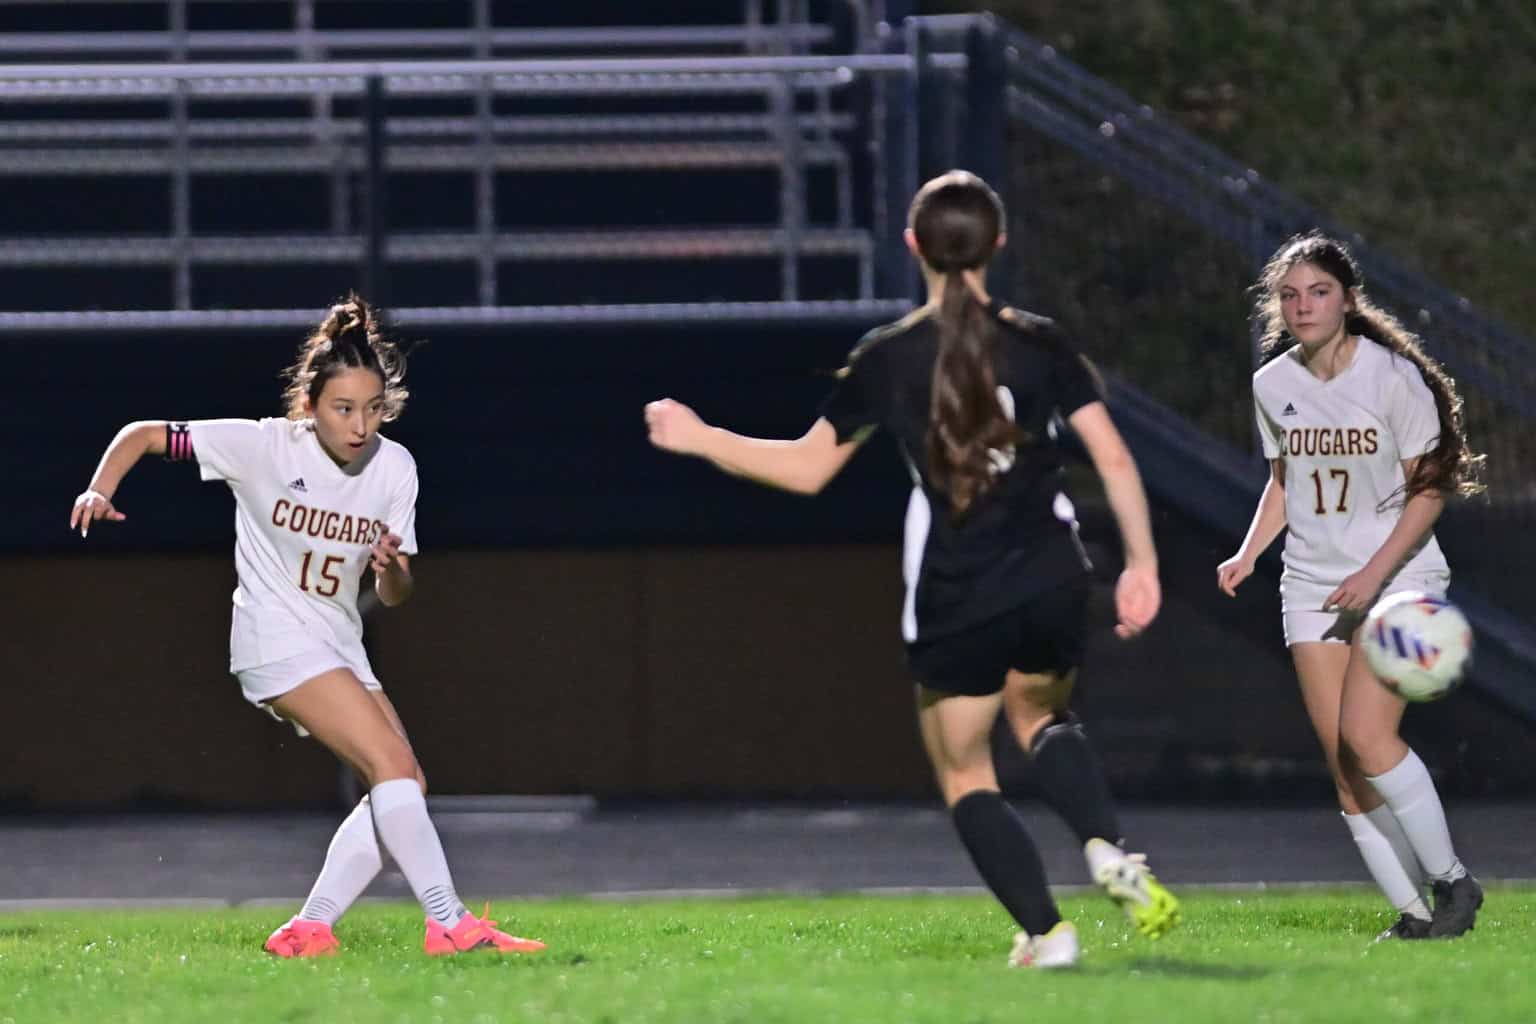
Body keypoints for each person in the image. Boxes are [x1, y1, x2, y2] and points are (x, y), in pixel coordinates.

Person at [645, 170, 1180, 968]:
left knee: (966, 772)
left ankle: (1048, 934)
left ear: (912, 246)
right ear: (999, 243)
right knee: (1041, 718)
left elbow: (807, 469)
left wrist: (701, 438)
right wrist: (1141, 563)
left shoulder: (888, 357)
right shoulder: (1042, 342)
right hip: (1051, 575)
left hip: (962, 591)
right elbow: (1114, 457)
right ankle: (1104, 844)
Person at [69, 295, 545, 959]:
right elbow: (144, 434)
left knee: (404, 782)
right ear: (310, 403)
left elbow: (396, 594)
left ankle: (310, 928)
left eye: (372, 408)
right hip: (274, 639)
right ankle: (450, 924)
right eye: (343, 408)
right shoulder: (264, 446)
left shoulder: (395, 468)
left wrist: (391, 570)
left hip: (339, 642)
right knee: (390, 767)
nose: (359, 424)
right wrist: (101, 488)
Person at [1217, 232, 1486, 940]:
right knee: (1344, 764)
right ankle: (1415, 915)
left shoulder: (1392, 378)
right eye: (1290, 295)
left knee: (1368, 736)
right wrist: (1248, 553)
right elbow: (1285, 483)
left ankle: (1453, 881)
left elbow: (1430, 490)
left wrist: (1374, 573)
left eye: (1319, 292)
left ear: (1347, 300)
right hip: (1311, 583)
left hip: (1398, 579)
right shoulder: (1273, 384)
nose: (1303, 306)